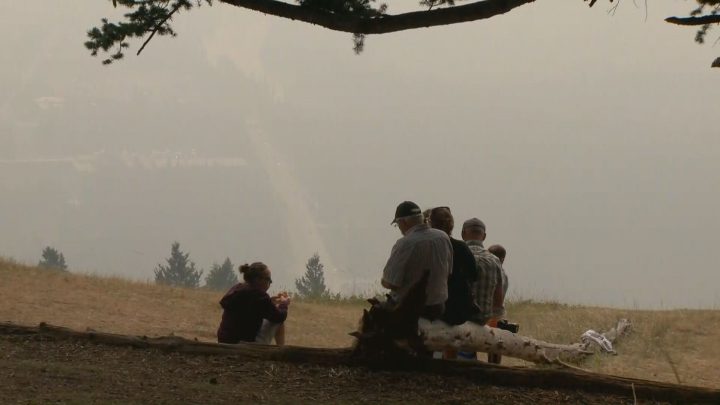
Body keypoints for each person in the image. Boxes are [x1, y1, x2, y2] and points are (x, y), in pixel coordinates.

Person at [382, 201, 453, 320]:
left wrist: (384, 281)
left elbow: (391, 283)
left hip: (408, 309)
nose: (399, 228)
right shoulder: (443, 237)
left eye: (397, 224)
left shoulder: (404, 243)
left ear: (403, 222)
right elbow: (448, 272)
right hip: (438, 307)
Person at [216, 262, 290, 346]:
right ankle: (281, 351)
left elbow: (249, 307)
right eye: (269, 280)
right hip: (244, 344)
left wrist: (269, 301)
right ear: (258, 279)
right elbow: (279, 317)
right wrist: (284, 304)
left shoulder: (238, 288)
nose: (270, 283)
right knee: (279, 322)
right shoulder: (259, 295)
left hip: (224, 341)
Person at [428, 206, 479, 326]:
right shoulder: (461, 247)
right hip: (460, 311)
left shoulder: (428, 247)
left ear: (430, 224)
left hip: (436, 310)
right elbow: (474, 275)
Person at [461, 218, 504, 326]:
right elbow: (498, 301)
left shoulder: (455, 255)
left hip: (458, 321)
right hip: (483, 322)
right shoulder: (495, 260)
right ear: (484, 236)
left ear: (463, 234)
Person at [487, 244, 509, 365]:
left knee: (493, 345)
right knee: (495, 346)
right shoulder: (503, 274)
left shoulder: (497, 274)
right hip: (498, 315)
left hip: (493, 313)